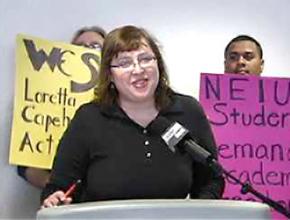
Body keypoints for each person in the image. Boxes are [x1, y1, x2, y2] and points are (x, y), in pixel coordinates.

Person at [41, 25, 225, 208]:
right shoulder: (89, 118)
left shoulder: (187, 111)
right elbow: (58, 186)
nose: (138, 70)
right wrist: (55, 199)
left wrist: (199, 212)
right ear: (109, 75)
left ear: (158, 64)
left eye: (145, 59)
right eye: (124, 63)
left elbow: (211, 179)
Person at [17, 26, 107, 189]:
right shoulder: (44, 98)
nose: (86, 50)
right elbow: (26, 165)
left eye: (95, 46)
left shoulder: (122, 97)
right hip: (65, 204)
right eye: (79, 46)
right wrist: (58, 187)